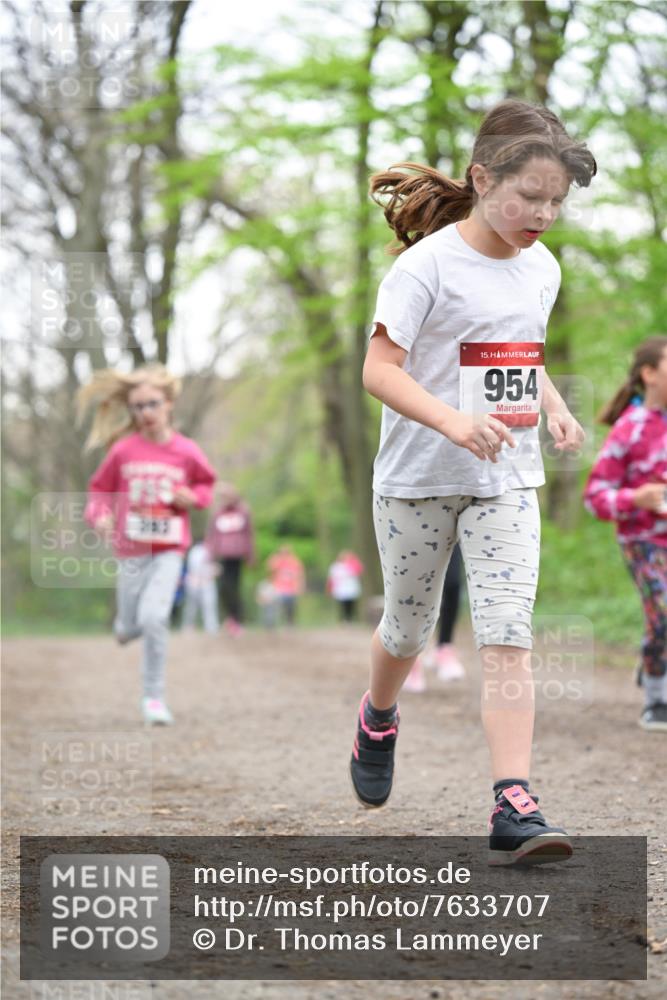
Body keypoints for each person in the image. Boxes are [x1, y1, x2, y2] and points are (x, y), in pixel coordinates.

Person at [349, 99, 596, 866]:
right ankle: (378, 715)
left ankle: (513, 799)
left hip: (504, 479)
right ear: (482, 178)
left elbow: (519, 355)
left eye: (556, 201)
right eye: (530, 197)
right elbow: (377, 372)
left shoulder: (543, 267)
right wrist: (452, 423)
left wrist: (552, 407)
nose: (543, 214)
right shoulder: (423, 267)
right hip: (418, 477)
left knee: (506, 634)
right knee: (408, 629)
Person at [80, 364, 216, 725]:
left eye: (153, 404)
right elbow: (99, 491)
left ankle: (153, 698)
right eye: (138, 407)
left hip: (169, 550)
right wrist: (100, 516)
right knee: (129, 627)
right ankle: (126, 627)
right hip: (132, 551)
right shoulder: (124, 450)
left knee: (154, 618)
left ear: (169, 403)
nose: (145, 413)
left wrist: (193, 497)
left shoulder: (186, 451)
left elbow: (206, 485)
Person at [583, 336, 667, 733]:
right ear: (650, 374)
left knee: (661, 620)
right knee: (664, 611)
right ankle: (656, 698)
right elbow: (595, 497)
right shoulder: (628, 430)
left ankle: (652, 658)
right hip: (643, 540)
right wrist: (638, 497)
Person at [403, 544, 466, 692]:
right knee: (415, 586)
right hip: (413, 524)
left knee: (452, 582)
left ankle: (443, 648)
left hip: (454, 523)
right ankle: (411, 656)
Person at [205, 483, 255, 637]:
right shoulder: (217, 513)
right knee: (223, 588)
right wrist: (210, 556)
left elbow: (249, 534)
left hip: (237, 555)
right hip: (222, 555)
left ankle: (237, 620)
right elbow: (212, 535)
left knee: (234, 587)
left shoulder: (244, 512)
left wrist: (250, 555)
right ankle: (231, 617)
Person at [182, 541, 220, 635]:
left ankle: (211, 627)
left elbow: (216, 569)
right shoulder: (197, 551)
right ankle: (189, 627)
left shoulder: (208, 551)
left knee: (208, 606)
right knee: (191, 608)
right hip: (195, 581)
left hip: (206, 581)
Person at [267, 545, 305, 625]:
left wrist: (300, 586)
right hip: (278, 588)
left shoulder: (294, 561)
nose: (284, 554)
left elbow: (299, 574)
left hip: (291, 589)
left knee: (290, 607)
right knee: (278, 607)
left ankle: (290, 622)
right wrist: (275, 556)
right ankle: (276, 623)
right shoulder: (277, 561)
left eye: (286, 552)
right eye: (282, 552)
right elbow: (269, 568)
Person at [326, 550, 364, 622]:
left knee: (351, 604)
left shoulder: (353, 565)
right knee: (342, 604)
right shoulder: (336, 566)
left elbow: (358, 572)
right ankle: (343, 618)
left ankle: (349, 618)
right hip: (341, 588)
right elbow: (332, 578)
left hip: (351, 588)